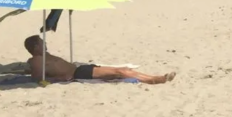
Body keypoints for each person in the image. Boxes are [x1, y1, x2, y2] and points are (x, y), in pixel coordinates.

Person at [24, 36, 175, 84]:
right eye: (41, 43)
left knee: (121, 72)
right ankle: (154, 79)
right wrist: (60, 78)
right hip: (78, 73)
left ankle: (153, 78)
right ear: (34, 47)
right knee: (120, 71)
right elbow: (38, 78)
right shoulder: (36, 61)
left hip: (80, 68)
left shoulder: (45, 55)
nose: (45, 44)